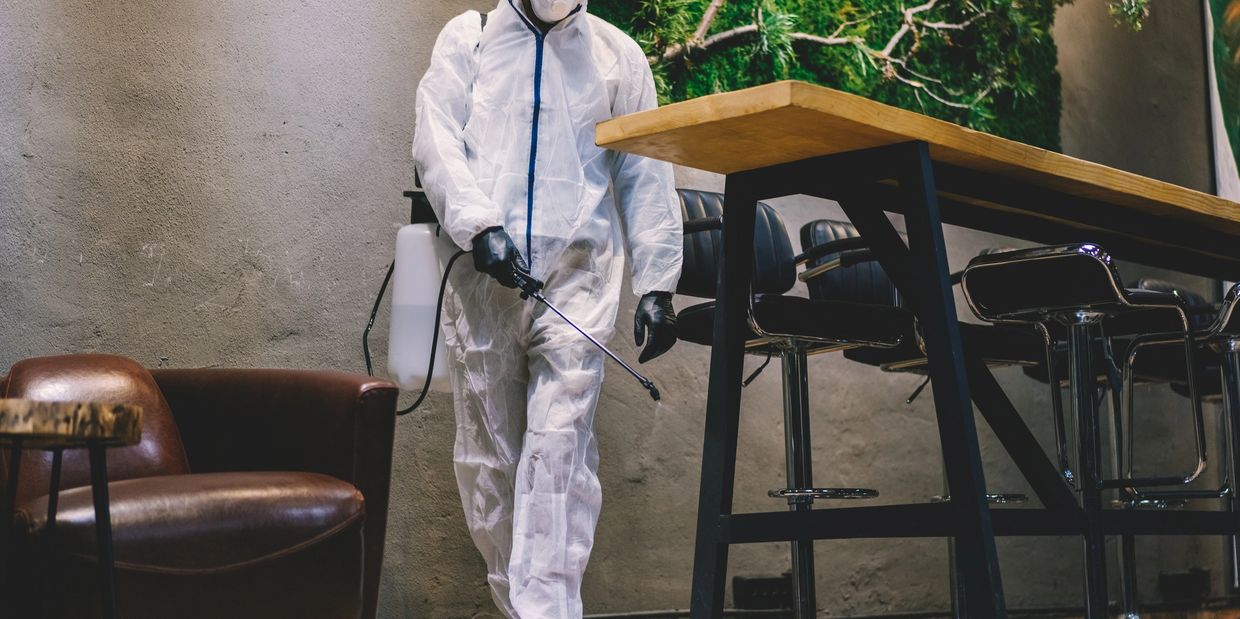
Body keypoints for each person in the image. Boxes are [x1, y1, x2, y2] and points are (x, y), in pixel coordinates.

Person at [412, 0, 683, 616]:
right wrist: (479, 226)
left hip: (578, 278)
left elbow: (645, 171)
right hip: (484, 280)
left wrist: (658, 283)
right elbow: (436, 137)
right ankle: (522, 609)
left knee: (559, 449)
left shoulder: (617, 56)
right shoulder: (471, 39)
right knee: (491, 458)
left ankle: (548, 611)